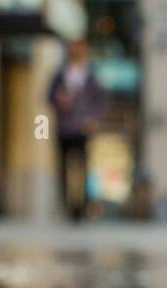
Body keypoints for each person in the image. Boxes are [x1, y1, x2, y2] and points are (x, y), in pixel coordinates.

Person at [48, 40, 107, 220]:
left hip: (83, 128)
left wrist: (94, 118)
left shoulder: (90, 75)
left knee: (83, 168)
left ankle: (81, 206)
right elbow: (48, 96)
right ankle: (67, 206)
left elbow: (101, 100)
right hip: (64, 128)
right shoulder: (60, 74)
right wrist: (59, 98)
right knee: (63, 168)